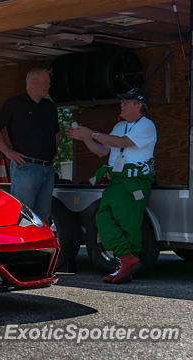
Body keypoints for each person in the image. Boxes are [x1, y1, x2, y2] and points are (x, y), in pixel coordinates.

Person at [66, 88, 156, 284]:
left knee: (127, 224)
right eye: (122, 102)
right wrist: (87, 138)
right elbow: (101, 151)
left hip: (133, 182)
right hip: (117, 181)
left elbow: (124, 142)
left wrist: (93, 133)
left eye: (126, 102)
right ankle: (126, 261)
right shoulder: (119, 126)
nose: (122, 105)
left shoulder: (147, 125)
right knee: (103, 217)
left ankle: (126, 264)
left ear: (138, 105)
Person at [0, 68, 59, 224]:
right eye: (46, 82)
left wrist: (54, 152)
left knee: (43, 216)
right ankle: (20, 247)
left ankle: (39, 248)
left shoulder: (50, 106)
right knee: (23, 214)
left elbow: (56, 133)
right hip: (26, 166)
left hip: (48, 167)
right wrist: (7, 152)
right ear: (33, 83)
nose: (48, 86)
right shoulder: (14, 104)